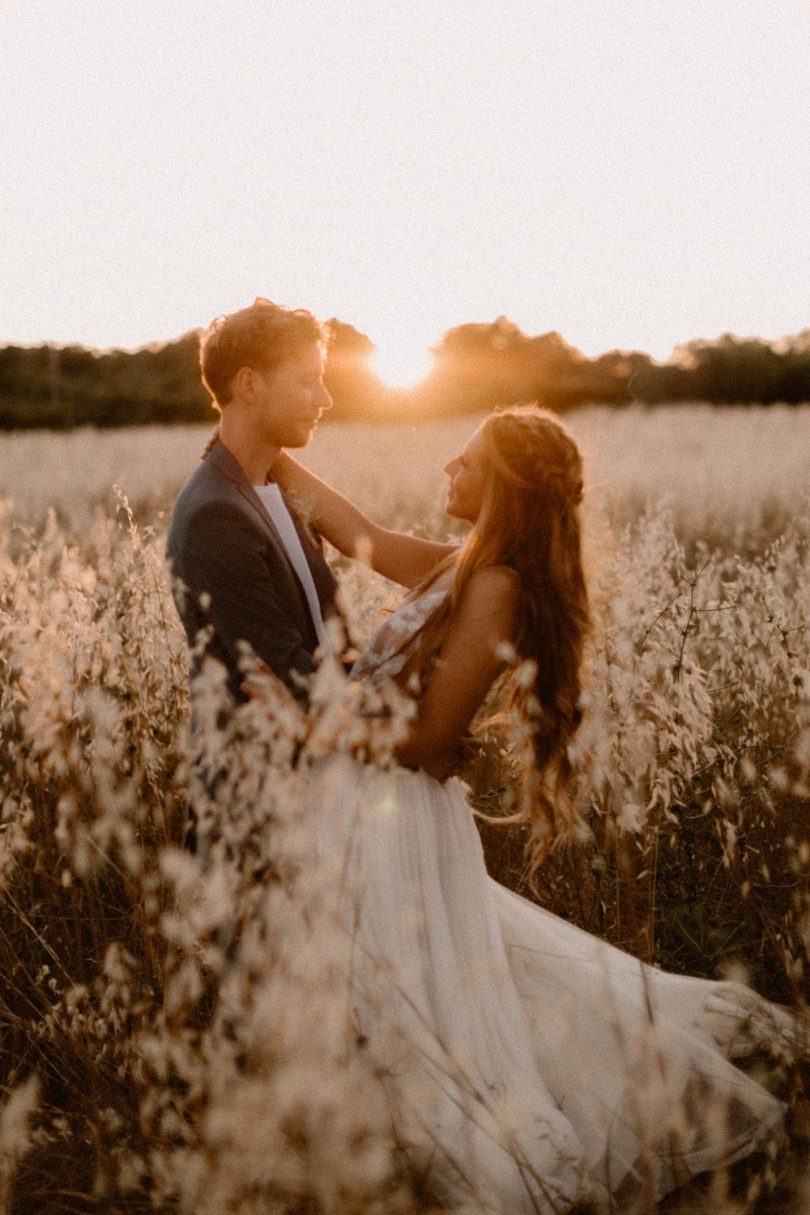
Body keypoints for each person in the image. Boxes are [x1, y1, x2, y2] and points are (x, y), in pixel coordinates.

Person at [263, 405, 799, 1213]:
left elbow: (431, 733)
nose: (450, 467)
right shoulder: (461, 564)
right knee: (430, 989)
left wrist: (296, 719)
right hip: (371, 803)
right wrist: (258, 448)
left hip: (397, 815)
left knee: (413, 1003)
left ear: (505, 489)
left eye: (469, 461)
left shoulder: (499, 587)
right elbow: (360, 532)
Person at [166, 298, 344, 848]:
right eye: (308, 381)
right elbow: (289, 675)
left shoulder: (275, 492)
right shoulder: (215, 514)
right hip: (256, 822)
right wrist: (422, 727)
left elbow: (330, 646)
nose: (326, 399)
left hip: (316, 806)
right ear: (249, 385)